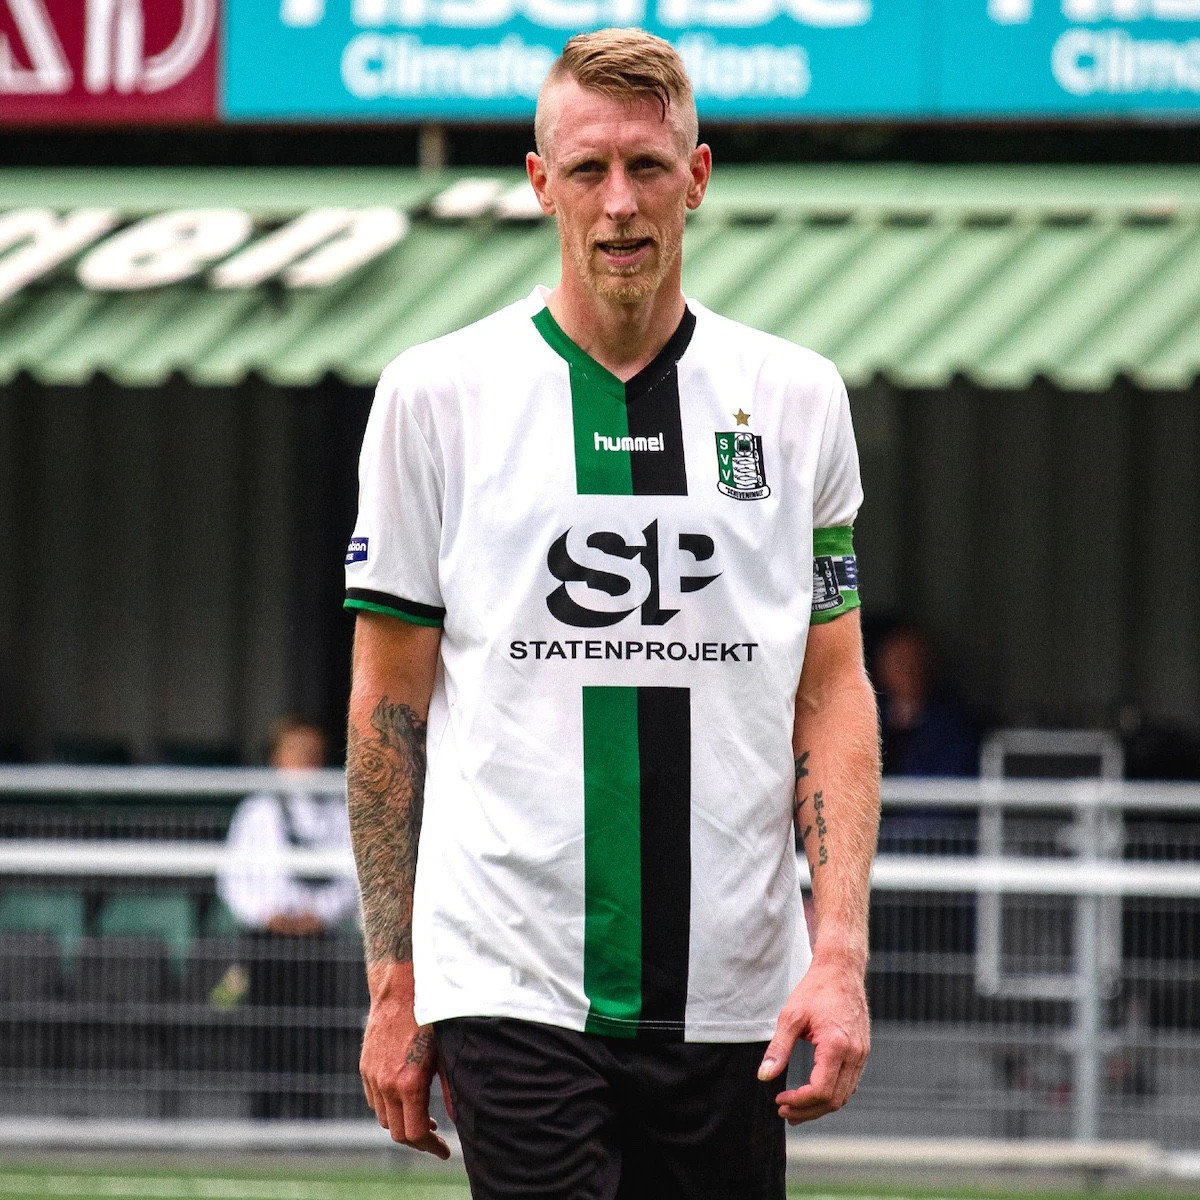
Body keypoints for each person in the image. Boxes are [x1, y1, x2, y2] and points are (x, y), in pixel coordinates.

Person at [343, 28, 880, 1199]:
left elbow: (833, 689)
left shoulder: (794, 398)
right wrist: (395, 979)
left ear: (699, 176)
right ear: (542, 183)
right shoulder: (435, 396)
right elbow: (388, 704)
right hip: (511, 979)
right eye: (588, 170)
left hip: (734, 992)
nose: (620, 203)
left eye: (648, 167)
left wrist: (839, 951)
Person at [217, 715, 358, 1118]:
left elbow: (353, 878)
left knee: (313, 1027)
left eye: (313, 755)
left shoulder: (339, 812)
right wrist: (266, 915)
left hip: (316, 938)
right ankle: (265, 1116)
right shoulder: (256, 811)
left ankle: (312, 1116)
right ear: (277, 759)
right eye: (297, 754)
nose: (306, 763)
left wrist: (321, 915)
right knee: (267, 1025)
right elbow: (232, 879)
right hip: (267, 937)